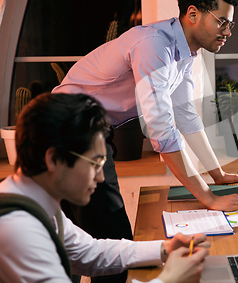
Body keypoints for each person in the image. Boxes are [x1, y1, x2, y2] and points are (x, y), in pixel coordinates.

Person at [52, 0, 238, 281]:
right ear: (193, 13)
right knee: (113, 237)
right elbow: (161, 128)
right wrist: (210, 199)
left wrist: (217, 174)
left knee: (79, 239)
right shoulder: (154, 44)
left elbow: (185, 115)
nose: (227, 31)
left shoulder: (185, 51)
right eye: (222, 21)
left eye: (230, 24)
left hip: (90, 129)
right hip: (69, 128)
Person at [0, 93, 210, 282]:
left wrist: (165, 248)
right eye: (94, 164)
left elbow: (89, 252)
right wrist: (171, 279)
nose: (101, 178)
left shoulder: (37, 204)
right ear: (54, 159)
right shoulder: (17, 229)